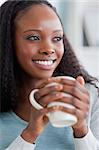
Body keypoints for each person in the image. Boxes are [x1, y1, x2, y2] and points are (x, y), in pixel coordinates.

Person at [0, 0, 99, 150]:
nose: (49, 48)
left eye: (57, 38)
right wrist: (30, 133)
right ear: (8, 42)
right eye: (33, 37)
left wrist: (82, 130)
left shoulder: (89, 95)